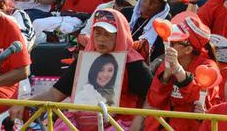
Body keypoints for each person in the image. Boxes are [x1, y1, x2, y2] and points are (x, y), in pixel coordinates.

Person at [22, 8, 152, 131]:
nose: (101, 39)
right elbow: (54, 95)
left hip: (118, 123)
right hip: (77, 124)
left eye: (108, 35)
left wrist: (139, 119)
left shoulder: (133, 63)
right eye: (98, 33)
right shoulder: (84, 59)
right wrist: (22, 104)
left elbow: (152, 97)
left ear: (120, 35)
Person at [143, 12, 219, 131]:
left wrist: (179, 72)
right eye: (167, 39)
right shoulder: (166, 63)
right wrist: (165, 77)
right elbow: (154, 100)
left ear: (188, 49)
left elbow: (199, 102)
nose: (167, 44)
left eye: (173, 42)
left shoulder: (208, 67)